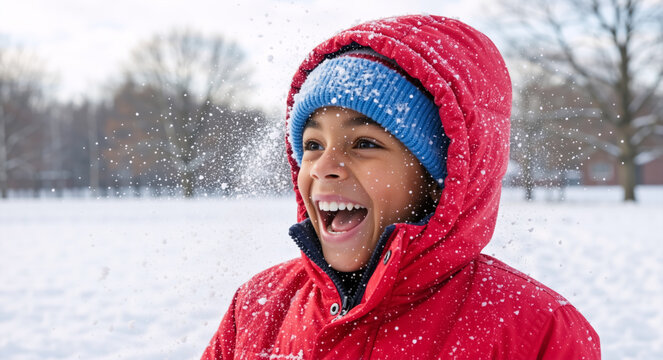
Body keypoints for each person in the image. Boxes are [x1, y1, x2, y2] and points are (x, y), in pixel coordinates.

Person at [201, 15, 600, 359]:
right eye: (312, 145)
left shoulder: (532, 329)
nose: (324, 167)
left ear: (440, 178)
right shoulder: (258, 307)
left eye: (364, 144)